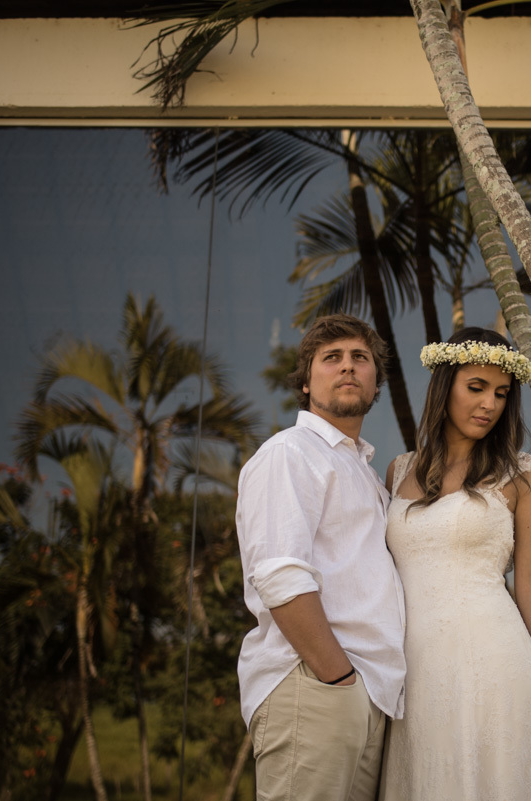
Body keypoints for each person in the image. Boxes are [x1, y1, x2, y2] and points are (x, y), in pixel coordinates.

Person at [380, 327, 531, 801]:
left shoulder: (523, 473)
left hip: (491, 661)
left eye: (501, 393)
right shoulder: (398, 470)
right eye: (475, 387)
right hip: (413, 668)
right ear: (444, 387)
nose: (489, 404)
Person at [235, 313, 406, 801]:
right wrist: (337, 678)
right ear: (306, 383)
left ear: (376, 380)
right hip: (317, 685)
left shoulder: (366, 472)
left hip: (367, 696)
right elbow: (280, 575)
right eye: (332, 358)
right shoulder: (289, 453)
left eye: (360, 358)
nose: (348, 367)